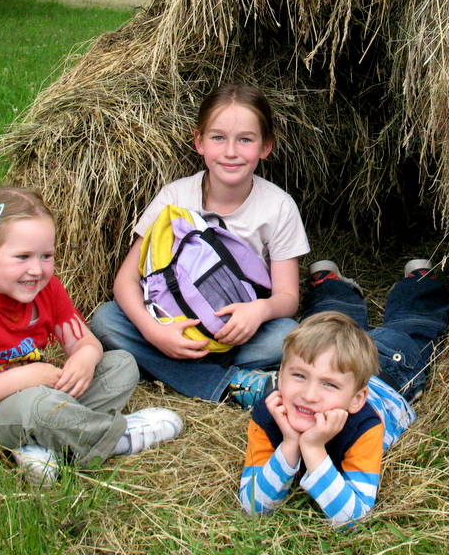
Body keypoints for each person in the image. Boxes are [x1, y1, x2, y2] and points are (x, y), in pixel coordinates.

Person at [0, 187, 183, 486]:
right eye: (22, 257)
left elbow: (85, 342)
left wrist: (86, 358)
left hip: (41, 398)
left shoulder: (46, 291)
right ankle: (116, 437)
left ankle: (39, 448)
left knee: (122, 365)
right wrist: (26, 378)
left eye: (46, 256)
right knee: (40, 406)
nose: (36, 269)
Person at [91, 84, 310, 408]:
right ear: (199, 142)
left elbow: (288, 297)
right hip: (171, 326)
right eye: (218, 138)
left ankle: (165, 368)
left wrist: (259, 311)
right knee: (107, 319)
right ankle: (229, 382)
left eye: (245, 139)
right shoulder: (175, 197)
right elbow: (125, 281)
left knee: (286, 337)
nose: (231, 151)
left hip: (237, 334)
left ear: (266, 146)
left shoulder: (278, 206)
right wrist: (155, 334)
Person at [239, 260, 449, 529]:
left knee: (413, 326)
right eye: (299, 376)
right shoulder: (269, 414)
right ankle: (331, 284)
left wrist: (314, 449)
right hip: (341, 364)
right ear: (279, 375)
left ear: (356, 400)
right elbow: (253, 506)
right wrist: (291, 443)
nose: (309, 395)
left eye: (328, 385)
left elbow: (354, 517)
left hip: (390, 368)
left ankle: (418, 282)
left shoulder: (364, 426)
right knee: (330, 321)